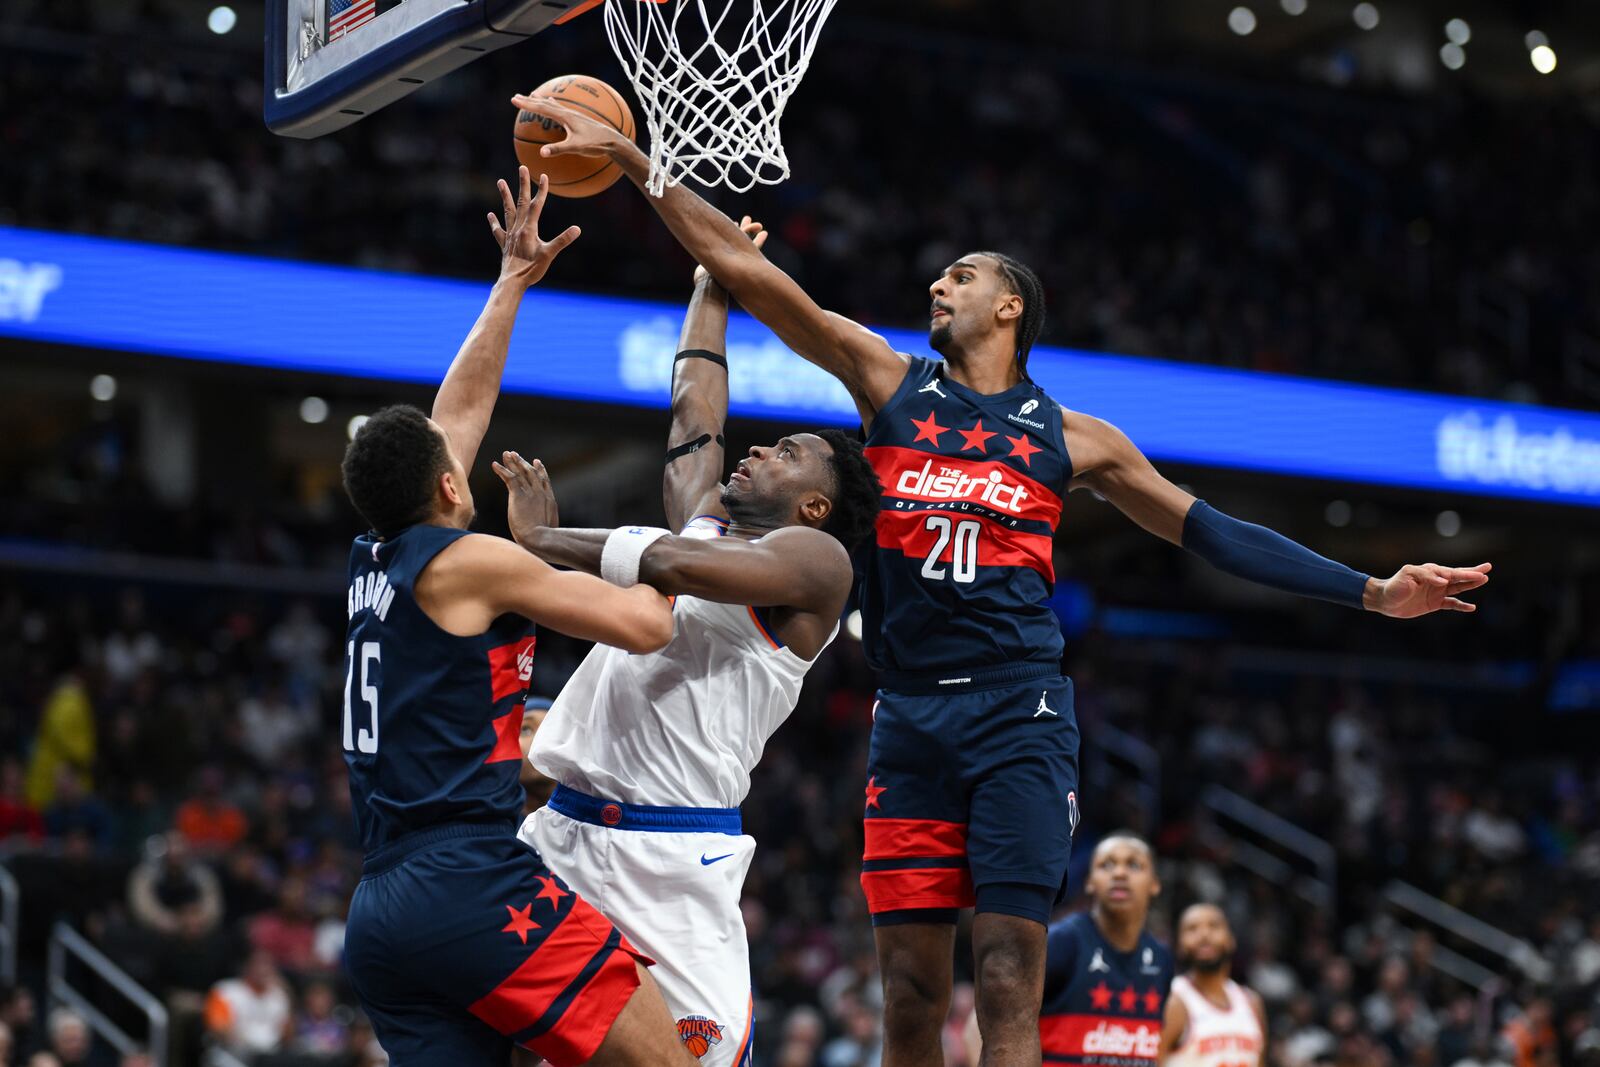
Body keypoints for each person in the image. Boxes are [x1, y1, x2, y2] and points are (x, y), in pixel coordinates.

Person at [510, 90, 1497, 1067]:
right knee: (907, 994)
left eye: (962, 275)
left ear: (1009, 305)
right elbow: (742, 268)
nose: (938, 285)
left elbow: (1213, 532)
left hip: (1016, 711)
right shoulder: (889, 384)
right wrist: (641, 168)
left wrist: (1370, 590)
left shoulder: (1075, 438)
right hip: (907, 714)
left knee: (1009, 982)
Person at [495, 220, 882, 1066]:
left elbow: (670, 559)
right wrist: (712, 283)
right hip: (556, 833)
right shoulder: (712, 523)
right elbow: (694, 409)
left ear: (816, 505)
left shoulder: (816, 565)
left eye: (788, 454)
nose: (760, 450)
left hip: (670, 862)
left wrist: (543, 541)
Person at [336, 167, 693, 1067]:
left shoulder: (374, 555)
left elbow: (452, 419)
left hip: (381, 906)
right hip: (469, 882)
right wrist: (668, 544)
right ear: (451, 486)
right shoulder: (475, 559)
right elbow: (649, 624)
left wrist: (511, 284)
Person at [966, 833, 1172, 1066]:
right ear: (1090, 882)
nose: (1119, 873)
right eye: (1107, 865)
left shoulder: (1161, 958)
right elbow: (978, 1027)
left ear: (1155, 883)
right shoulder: (1063, 942)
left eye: (1133, 865)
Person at [1161, 904, 1266, 1067]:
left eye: (1214, 926)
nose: (1204, 935)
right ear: (1179, 946)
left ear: (1231, 940)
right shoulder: (1172, 1002)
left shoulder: (1251, 1002)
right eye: (1192, 929)